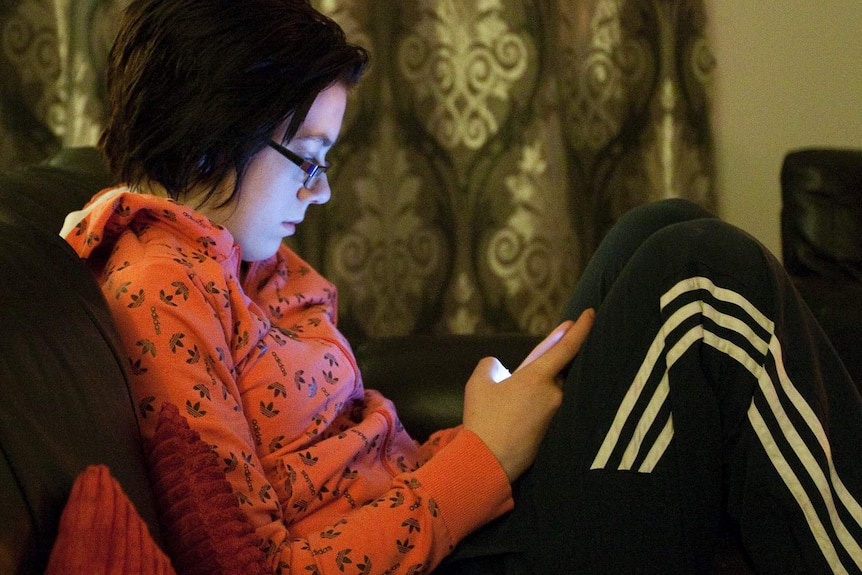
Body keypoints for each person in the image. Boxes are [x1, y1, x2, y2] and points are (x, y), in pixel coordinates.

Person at [61, 0, 862, 573]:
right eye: (307, 155)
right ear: (209, 141)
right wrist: (483, 455)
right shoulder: (158, 289)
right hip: (459, 550)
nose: (322, 190)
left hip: (445, 513)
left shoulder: (231, 259)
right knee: (697, 282)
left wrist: (475, 449)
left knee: (659, 228)